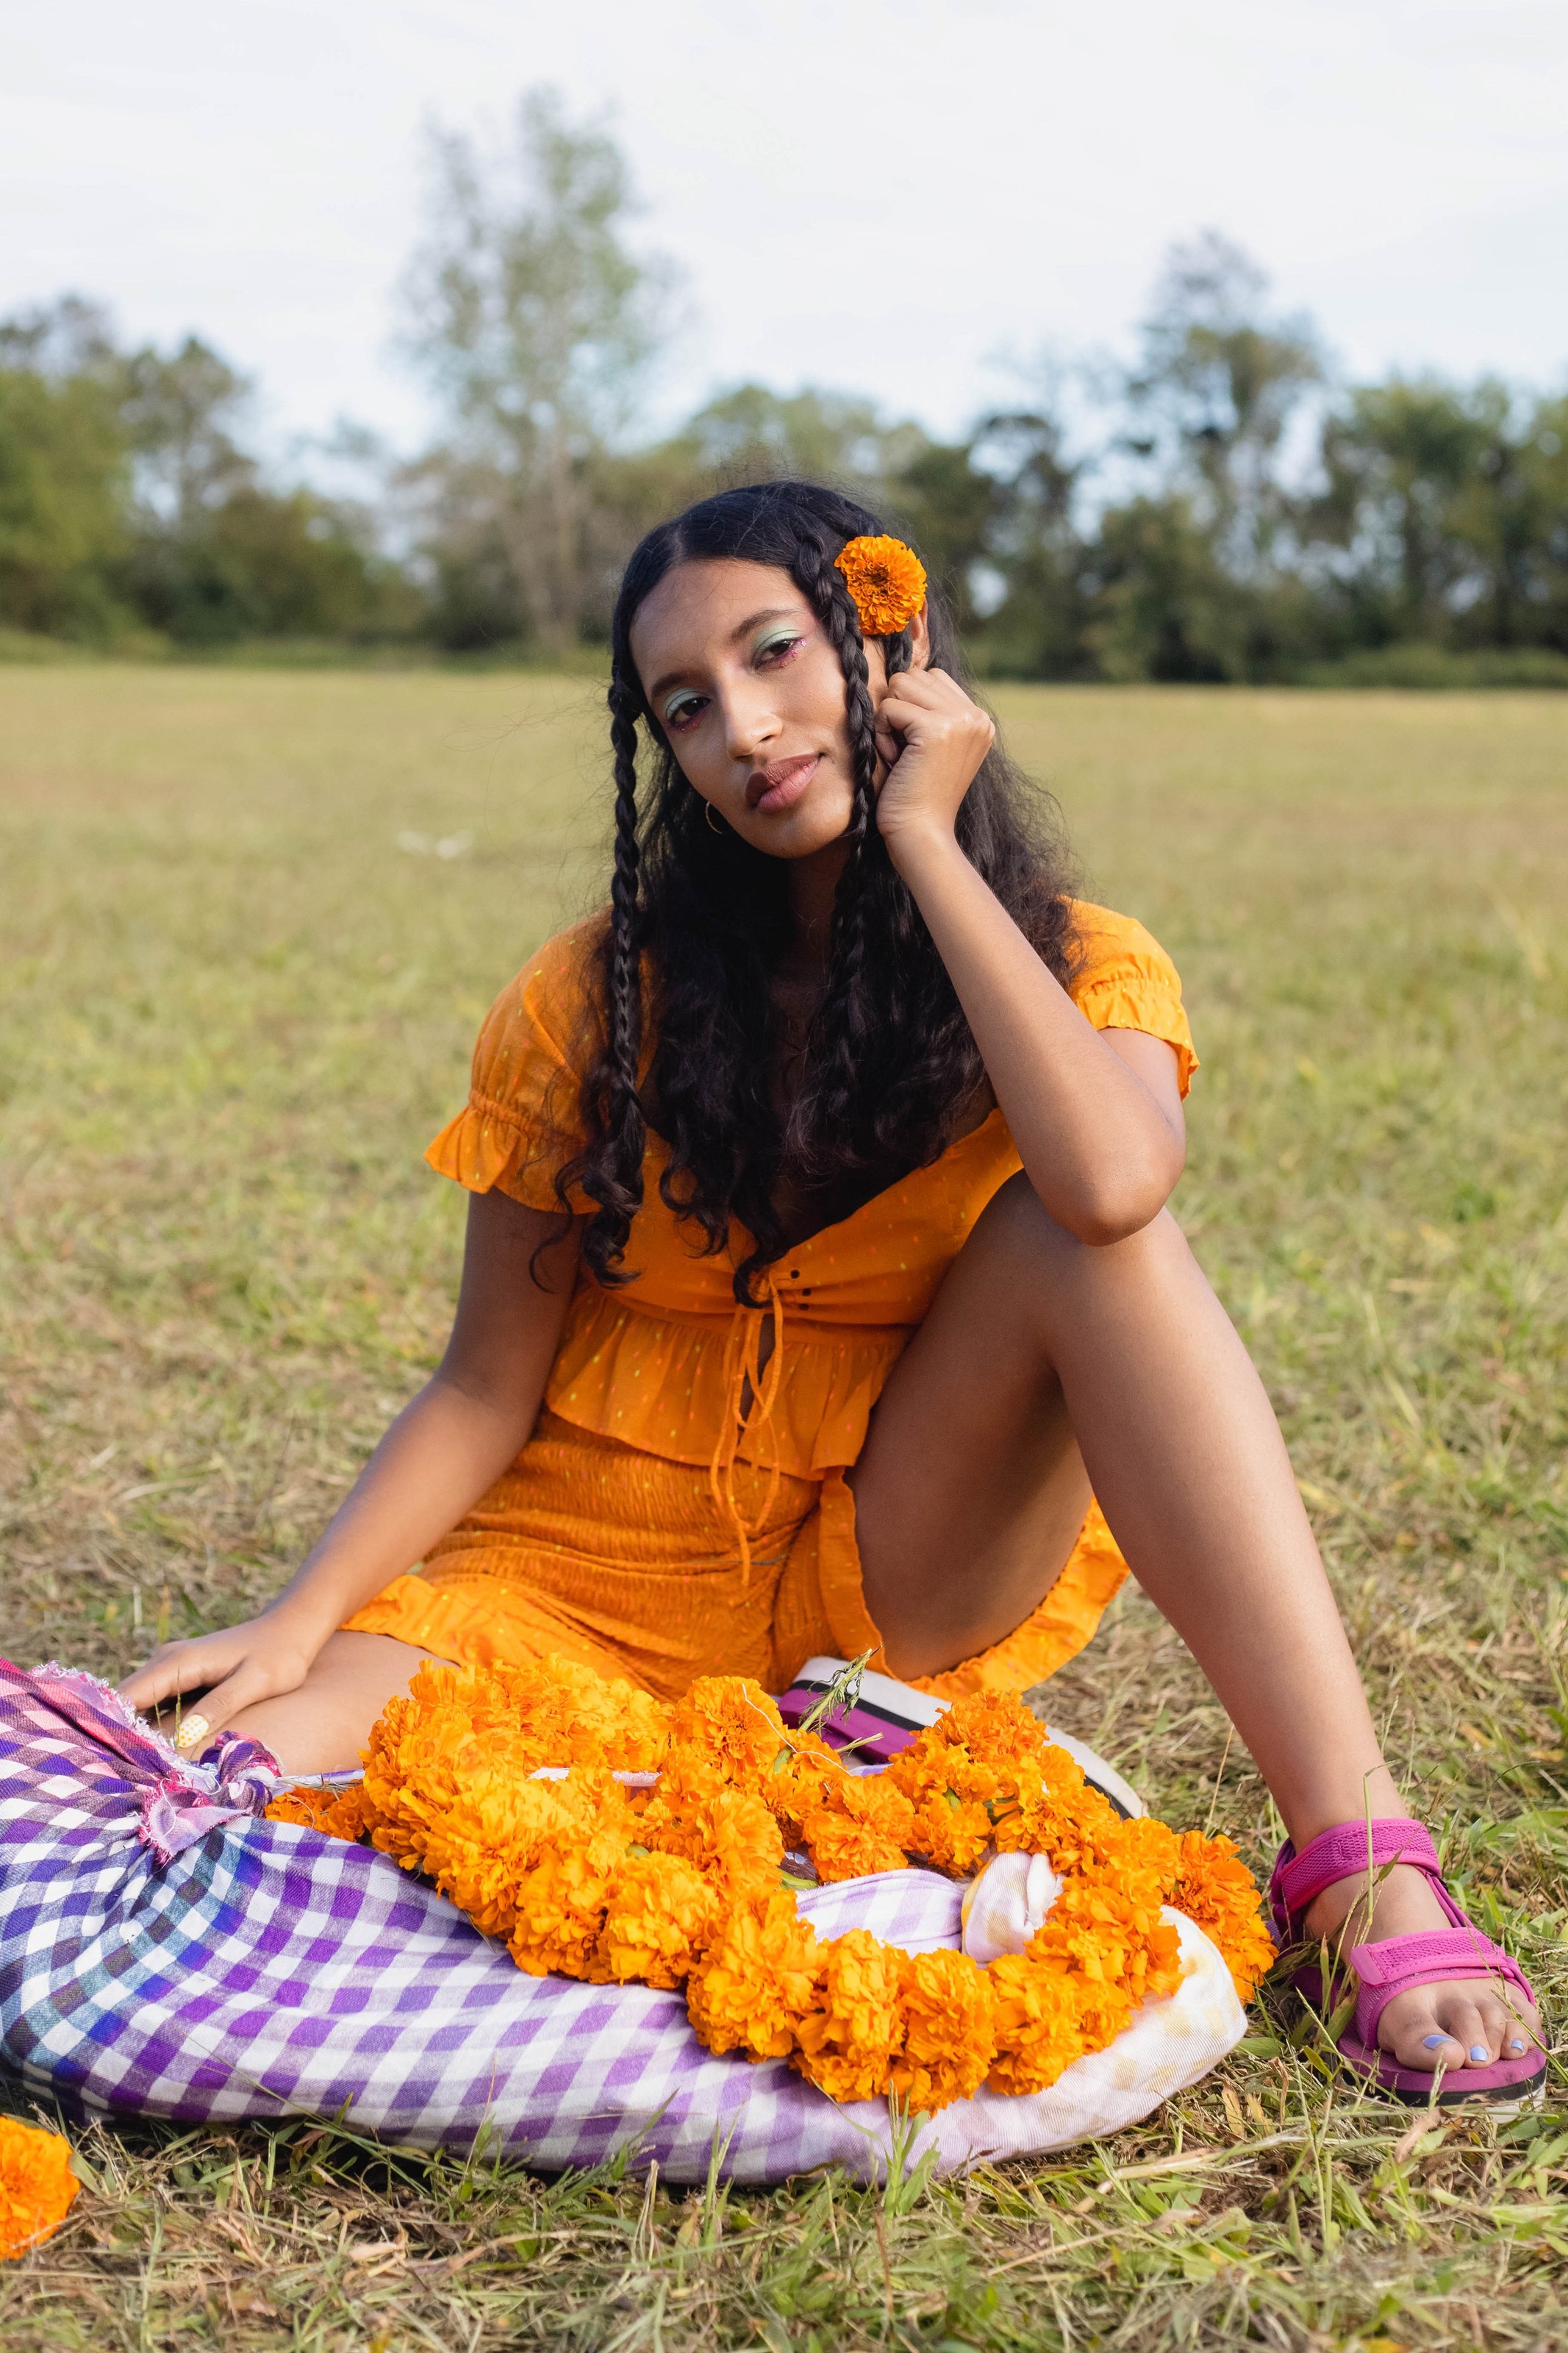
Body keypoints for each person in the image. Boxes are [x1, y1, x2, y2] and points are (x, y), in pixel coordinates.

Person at [122, 481, 1540, 2102]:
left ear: (888, 642)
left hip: (890, 1576)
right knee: (207, 1786)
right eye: (684, 705)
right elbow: (480, 1386)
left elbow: (1109, 1189)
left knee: (1088, 1242)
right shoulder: (593, 998)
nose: (741, 727)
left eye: (773, 653)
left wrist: (923, 836)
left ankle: (1358, 1856)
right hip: (575, 1581)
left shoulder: (1079, 963)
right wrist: (302, 1619)